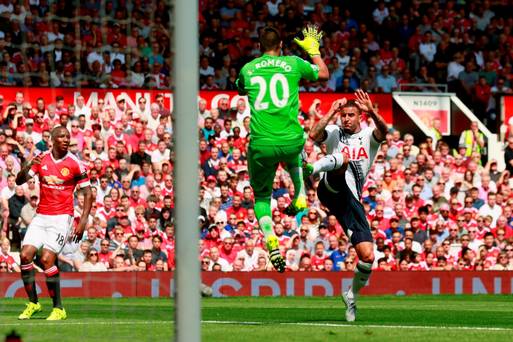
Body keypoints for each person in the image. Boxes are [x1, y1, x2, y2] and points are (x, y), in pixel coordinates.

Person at [236, 25, 329, 272]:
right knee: (294, 153)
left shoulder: (248, 69)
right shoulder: (294, 63)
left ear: (259, 47)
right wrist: (313, 50)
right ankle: (300, 193)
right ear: (281, 46)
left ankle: (270, 240)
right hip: (291, 140)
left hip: (262, 144)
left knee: (262, 197)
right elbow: (323, 74)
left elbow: (241, 87)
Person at [305, 89, 387, 321]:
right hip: (330, 188)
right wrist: (331, 111)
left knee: (368, 256)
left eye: (351, 115)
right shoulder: (334, 132)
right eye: (344, 115)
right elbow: (313, 134)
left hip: (350, 201)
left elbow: (384, 131)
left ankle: (351, 296)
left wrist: (372, 110)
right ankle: (312, 169)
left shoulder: (369, 137)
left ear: (360, 116)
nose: (346, 119)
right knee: (344, 161)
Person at [15, 126, 93, 320]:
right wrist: (28, 164)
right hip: (41, 216)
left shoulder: (76, 164)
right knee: (25, 256)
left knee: (47, 259)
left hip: (61, 217)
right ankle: (33, 303)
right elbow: (19, 181)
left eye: (68, 136)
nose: (66, 139)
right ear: (52, 140)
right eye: (62, 136)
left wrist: (82, 222)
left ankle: (58, 308)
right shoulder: (42, 159)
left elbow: (88, 193)